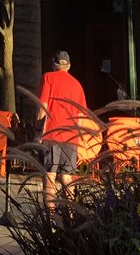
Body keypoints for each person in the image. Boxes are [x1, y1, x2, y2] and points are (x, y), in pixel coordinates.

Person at [37, 50, 88, 209]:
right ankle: (71, 215)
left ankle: (50, 217)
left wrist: (38, 131)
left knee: (49, 176)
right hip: (71, 138)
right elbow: (80, 116)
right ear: (69, 66)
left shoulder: (48, 77)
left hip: (52, 134)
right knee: (67, 178)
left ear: (54, 64)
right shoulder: (77, 85)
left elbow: (43, 108)